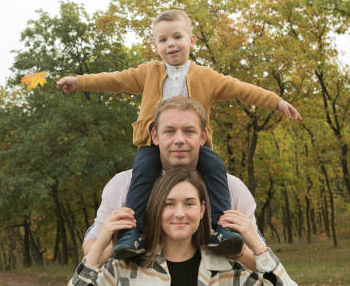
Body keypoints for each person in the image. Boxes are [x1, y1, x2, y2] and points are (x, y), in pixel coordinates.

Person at [56, 9, 302, 259]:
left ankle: (223, 228)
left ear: (191, 40)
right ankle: (132, 233)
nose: (171, 44)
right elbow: (114, 80)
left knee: (215, 167)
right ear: (156, 46)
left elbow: (242, 90)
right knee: (143, 172)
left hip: (197, 148)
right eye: (163, 40)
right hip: (153, 147)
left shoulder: (207, 77)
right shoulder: (148, 73)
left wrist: (276, 102)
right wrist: (79, 81)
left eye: (177, 37)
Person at [61, 168, 303, 286]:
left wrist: (257, 249)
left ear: (202, 210)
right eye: (169, 204)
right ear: (156, 210)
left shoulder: (230, 272)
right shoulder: (125, 267)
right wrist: (98, 250)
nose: (179, 213)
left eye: (189, 203)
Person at [82, 97, 259, 267]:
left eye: (189, 131)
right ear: (155, 136)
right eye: (169, 131)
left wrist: (239, 251)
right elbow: (90, 249)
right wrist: (115, 246)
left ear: (203, 137)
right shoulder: (122, 184)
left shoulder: (232, 188)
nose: (179, 140)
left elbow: (260, 260)